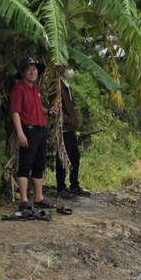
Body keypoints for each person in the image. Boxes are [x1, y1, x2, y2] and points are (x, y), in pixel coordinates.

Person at [9, 56, 51, 212]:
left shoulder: (36, 89)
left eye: (35, 69)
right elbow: (15, 112)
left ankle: (39, 197)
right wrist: (20, 133)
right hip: (28, 130)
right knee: (25, 164)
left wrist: (48, 111)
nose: (33, 72)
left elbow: (37, 107)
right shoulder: (18, 89)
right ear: (22, 72)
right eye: (29, 69)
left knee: (39, 164)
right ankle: (24, 200)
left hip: (41, 130)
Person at [51, 63, 90, 199]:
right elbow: (56, 106)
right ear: (61, 69)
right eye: (68, 67)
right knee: (63, 158)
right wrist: (66, 119)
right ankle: (61, 187)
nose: (70, 70)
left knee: (74, 157)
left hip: (70, 128)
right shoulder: (58, 86)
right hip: (64, 129)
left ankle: (74, 185)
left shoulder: (65, 85)